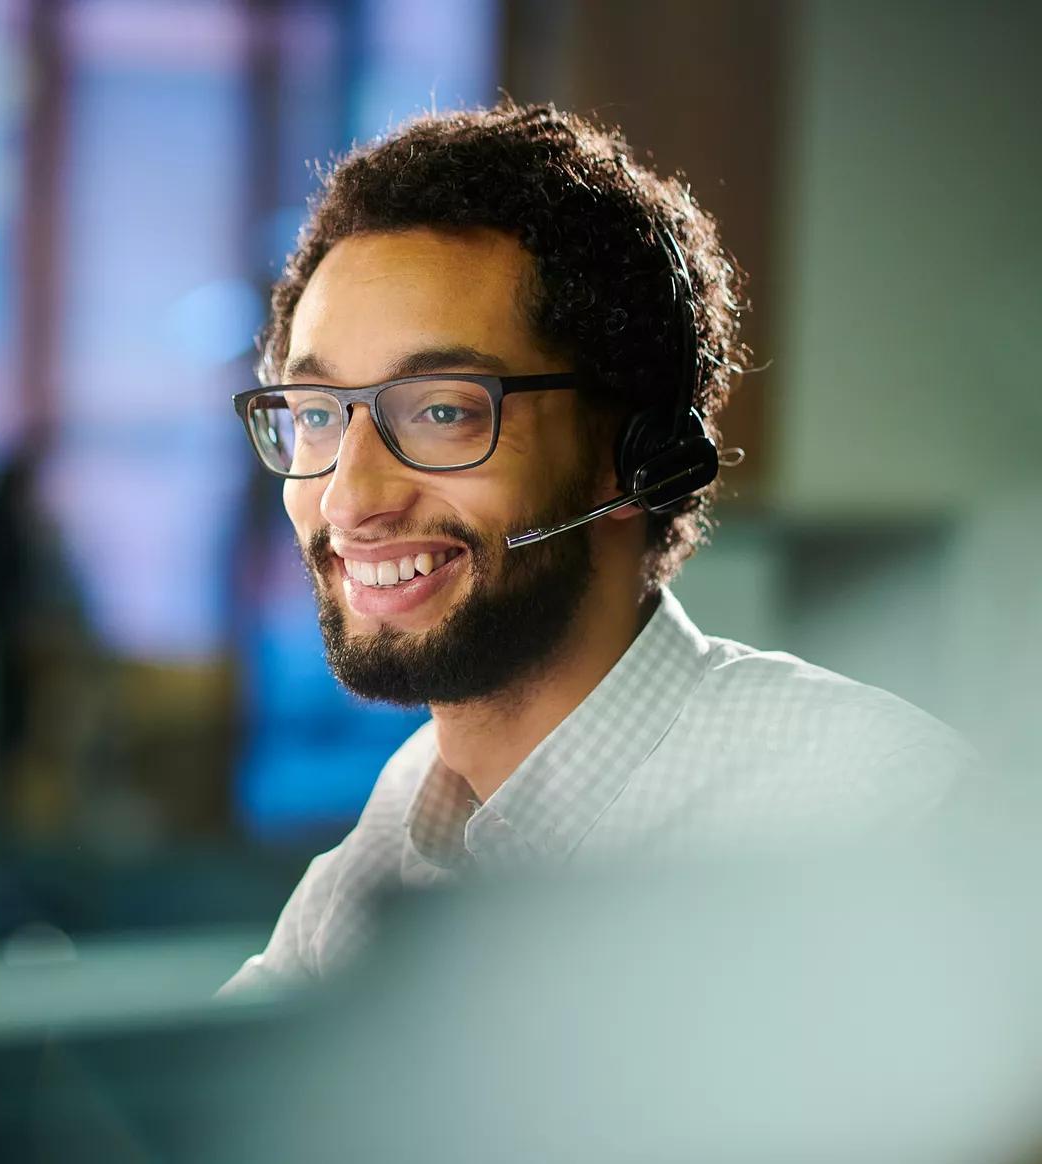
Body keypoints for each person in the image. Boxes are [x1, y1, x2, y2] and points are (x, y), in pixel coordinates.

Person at [224, 103, 967, 991]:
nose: (351, 497)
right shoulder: (378, 862)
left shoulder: (869, 811)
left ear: (635, 455)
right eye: (315, 416)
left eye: (444, 412)